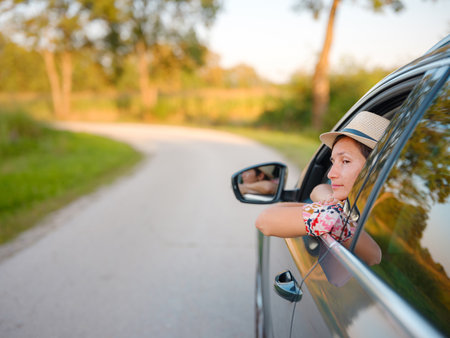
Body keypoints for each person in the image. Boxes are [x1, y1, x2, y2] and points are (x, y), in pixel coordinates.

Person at [255, 111, 390, 266]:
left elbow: (264, 221)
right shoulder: (354, 203)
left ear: (375, 169)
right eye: (333, 162)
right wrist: (328, 200)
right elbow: (318, 189)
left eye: (345, 161)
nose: (331, 174)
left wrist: (332, 214)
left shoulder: (339, 217)